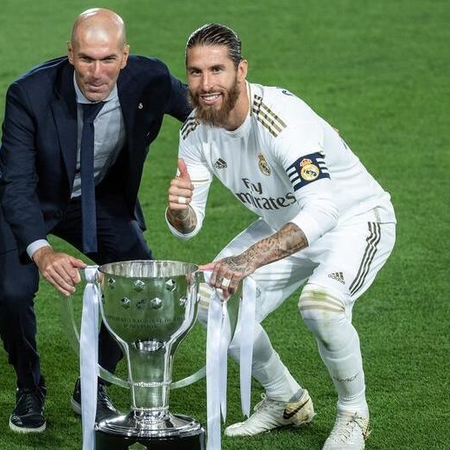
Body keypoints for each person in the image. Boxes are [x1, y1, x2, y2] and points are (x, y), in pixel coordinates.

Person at [166, 23, 396, 450]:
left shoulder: (280, 119)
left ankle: (354, 413)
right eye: (196, 72)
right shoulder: (195, 131)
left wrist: (247, 260)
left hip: (354, 220)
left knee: (321, 306)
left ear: (241, 70)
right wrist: (178, 211)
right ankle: (285, 399)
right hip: (285, 224)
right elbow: (189, 225)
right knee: (209, 301)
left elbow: (323, 210)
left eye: (217, 70)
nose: (206, 84)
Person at [0, 8, 191, 434]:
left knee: (139, 279)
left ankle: (93, 383)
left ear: (124, 56)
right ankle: (28, 388)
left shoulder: (151, 79)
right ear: (70, 54)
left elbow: (202, 112)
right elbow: (17, 184)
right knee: (14, 292)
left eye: (107, 59)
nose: (96, 72)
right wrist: (42, 251)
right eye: (86, 58)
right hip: (22, 196)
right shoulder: (28, 94)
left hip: (92, 195)